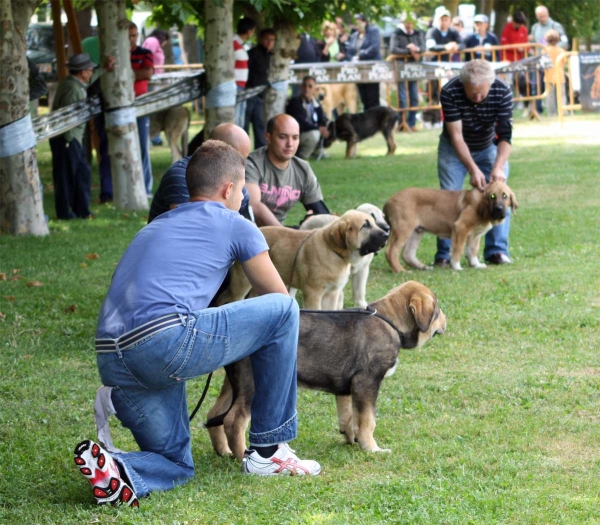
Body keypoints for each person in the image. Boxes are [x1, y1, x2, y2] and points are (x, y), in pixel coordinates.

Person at [75, 140, 322, 508]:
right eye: (241, 190)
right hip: (164, 343)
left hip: (113, 359)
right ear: (228, 189)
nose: (242, 198)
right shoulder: (235, 223)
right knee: (286, 309)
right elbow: (277, 300)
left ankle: (116, 468)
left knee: (177, 464)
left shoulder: (154, 226)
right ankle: (269, 449)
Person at [433, 59, 514, 267]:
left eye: (482, 93)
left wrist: (497, 166)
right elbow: (456, 136)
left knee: (500, 192)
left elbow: (505, 136)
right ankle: (445, 254)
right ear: (463, 85)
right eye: (472, 93)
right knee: (448, 197)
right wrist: (472, 169)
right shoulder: (450, 91)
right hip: (453, 148)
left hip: (489, 147)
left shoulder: (503, 91)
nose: (477, 98)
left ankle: (497, 251)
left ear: (491, 84)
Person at [49, 53, 115, 220]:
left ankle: (82, 210)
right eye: (90, 70)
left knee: (82, 174)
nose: (92, 72)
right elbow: (68, 117)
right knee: (65, 178)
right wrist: (69, 142)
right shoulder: (72, 89)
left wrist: (104, 69)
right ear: (82, 72)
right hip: (67, 140)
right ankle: (65, 214)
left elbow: (91, 81)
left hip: (73, 139)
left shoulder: (74, 83)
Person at [148, 123, 252, 223]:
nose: (241, 165)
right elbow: (190, 227)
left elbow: (247, 227)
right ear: (214, 147)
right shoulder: (181, 175)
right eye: (237, 158)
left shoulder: (235, 179)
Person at [245, 114, 330, 226]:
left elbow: (321, 212)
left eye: (295, 138)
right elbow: (254, 207)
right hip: (250, 233)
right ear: (268, 138)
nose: (290, 144)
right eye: (282, 137)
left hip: (279, 233)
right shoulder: (252, 164)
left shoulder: (303, 169)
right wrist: (286, 234)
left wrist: (311, 221)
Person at [129, 22, 154, 197]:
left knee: (143, 146)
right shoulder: (118, 54)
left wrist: (124, 74)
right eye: (129, 35)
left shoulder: (144, 53)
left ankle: (146, 187)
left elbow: (147, 73)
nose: (132, 39)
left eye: (135, 35)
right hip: (120, 107)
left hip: (140, 105)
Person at [388, 13, 425, 131]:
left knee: (414, 96)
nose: (409, 25)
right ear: (403, 22)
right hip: (401, 68)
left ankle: (411, 123)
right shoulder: (397, 33)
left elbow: (423, 47)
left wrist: (416, 48)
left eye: (411, 22)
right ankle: (401, 123)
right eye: (407, 22)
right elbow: (393, 49)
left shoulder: (418, 32)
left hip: (413, 68)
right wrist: (409, 50)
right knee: (402, 97)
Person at [529, 6, 568, 114]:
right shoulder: (535, 27)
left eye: (544, 16)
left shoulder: (555, 26)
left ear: (548, 14)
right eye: (540, 16)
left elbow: (565, 41)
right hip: (539, 61)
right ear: (537, 16)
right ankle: (537, 110)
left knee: (558, 90)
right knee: (537, 87)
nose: (542, 18)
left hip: (553, 63)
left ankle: (561, 111)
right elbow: (533, 43)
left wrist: (552, 48)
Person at [285, 75, 329, 160]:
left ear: (315, 89)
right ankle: (303, 156)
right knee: (314, 134)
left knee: (328, 128)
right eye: (304, 85)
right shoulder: (295, 102)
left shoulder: (316, 103)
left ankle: (317, 151)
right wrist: (318, 128)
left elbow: (322, 118)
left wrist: (324, 126)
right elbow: (301, 122)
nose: (306, 88)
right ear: (301, 87)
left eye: (310, 86)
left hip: (312, 132)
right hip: (299, 134)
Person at [245, 28, 276, 149]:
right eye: (267, 39)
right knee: (245, 126)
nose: (269, 42)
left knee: (260, 126)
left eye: (272, 40)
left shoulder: (269, 55)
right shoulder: (252, 53)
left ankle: (260, 152)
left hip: (259, 95)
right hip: (249, 93)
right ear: (260, 39)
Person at [346, 13, 382, 110]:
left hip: (372, 70)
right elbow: (349, 51)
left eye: (358, 22)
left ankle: (376, 121)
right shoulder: (354, 36)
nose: (357, 25)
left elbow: (374, 48)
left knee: (373, 98)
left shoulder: (373, 31)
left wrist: (359, 55)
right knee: (364, 99)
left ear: (364, 22)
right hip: (359, 72)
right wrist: (352, 58)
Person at [143, 29, 170, 146]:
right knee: (152, 109)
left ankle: (155, 136)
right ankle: (153, 136)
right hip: (152, 81)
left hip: (155, 80)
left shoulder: (152, 41)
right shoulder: (153, 41)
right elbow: (147, 58)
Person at [233, 17, 256, 128]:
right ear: (249, 31)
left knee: (240, 118)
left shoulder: (238, 43)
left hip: (240, 86)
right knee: (236, 119)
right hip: (235, 86)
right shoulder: (233, 43)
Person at [543, 29, 566, 116]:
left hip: (548, 75)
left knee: (550, 96)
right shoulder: (561, 50)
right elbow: (563, 62)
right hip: (559, 75)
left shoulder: (545, 50)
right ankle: (563, 111)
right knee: (562, 95)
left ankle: (551, 113)